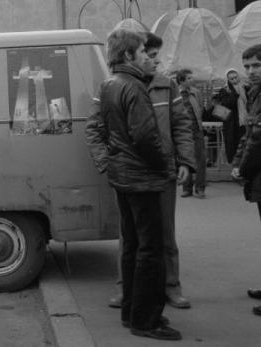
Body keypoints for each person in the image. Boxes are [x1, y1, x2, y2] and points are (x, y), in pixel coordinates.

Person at [88, 32, 195, 311]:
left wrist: (185, 161)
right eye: (146, 53)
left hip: (164, 173)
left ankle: (171, 286)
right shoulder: (113, 86)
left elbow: (181, 125)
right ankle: (127, 290)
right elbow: (94, 130)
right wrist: (106, 162)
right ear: (132, 55)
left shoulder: (166, 86)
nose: (151, 58)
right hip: (136, 174)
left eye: (154, 53)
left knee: (165, 234)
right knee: (132, 237)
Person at [230, 44, 261, 316]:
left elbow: (258, 139)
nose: (250, 71)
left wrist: (243, 168)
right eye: (247, 65)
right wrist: (238, 162)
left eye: (256, 65)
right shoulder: (254, 93)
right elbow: (249, 133)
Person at [176, 68, 207, 199]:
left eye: (191, 77)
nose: (192, 80)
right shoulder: (176, 94)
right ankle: (187, 188)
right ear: (181, 81)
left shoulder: (197, 93)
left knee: (201, 159)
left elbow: (200, 108)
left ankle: (200, 188)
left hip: (196, 129)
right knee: (185, 158)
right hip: (183, 131)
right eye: (189, 78)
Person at [214, 69, 247, 165]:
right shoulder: (225, 90)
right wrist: (235, 92)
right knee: (232, 146)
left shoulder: (244, 88)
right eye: (231, 79)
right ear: (228, 80)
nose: (234, 80)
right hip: (231, 124)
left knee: (244, 146)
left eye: (236, 77)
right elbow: (227, 104)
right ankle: (234, 167)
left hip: (244, 122)